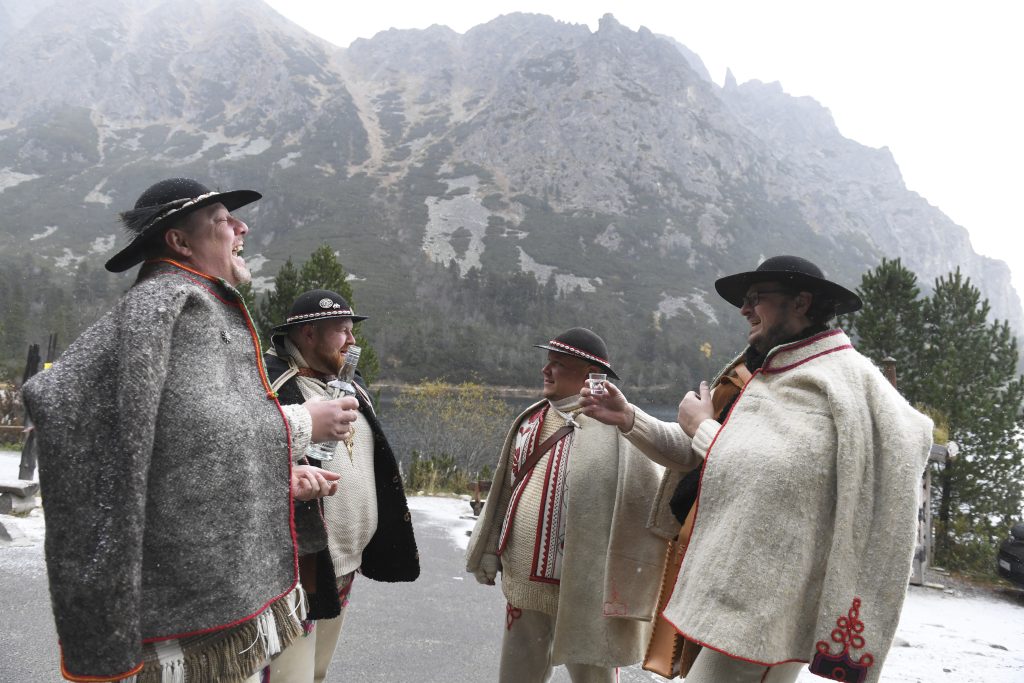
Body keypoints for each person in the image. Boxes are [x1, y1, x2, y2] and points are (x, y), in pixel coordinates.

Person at [22, 178, 358, 683]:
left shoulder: (171, 301)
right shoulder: (181, 302)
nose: (242, 227)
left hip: (185, 586)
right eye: (223, 220)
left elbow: (168, 444)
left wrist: (274, 475)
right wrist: (301, 423)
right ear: (179, 242)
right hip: (187, 604)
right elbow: (200, 430)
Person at [581, 255, 933, 683]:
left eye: (756, 298)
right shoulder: (764, 369)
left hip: (769, 603)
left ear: (801, 302)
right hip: (729, 583)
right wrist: (629, 417)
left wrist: (704, 427)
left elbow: (780, 477)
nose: (744, 309)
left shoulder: (837, 381)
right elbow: (700, 459)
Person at [466, 327, 679, 683]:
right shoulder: (530, 420)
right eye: (547, 363)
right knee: (517, 676)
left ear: (588, 374)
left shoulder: (617, 427)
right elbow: (506, 491)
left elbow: (648, 502)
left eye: (558, 364)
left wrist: (629, 580)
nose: (545, 371)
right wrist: (489, 549)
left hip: (587, 591)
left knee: (594, 678)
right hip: (525, 585)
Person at [262, 289, 420, 683]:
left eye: (352, 331)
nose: (353, 342)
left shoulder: (351, 384)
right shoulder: (267, 382)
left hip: (343, 565)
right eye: (342, 332)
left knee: (316, 672)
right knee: (287, 676)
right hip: (299, 568)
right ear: (309, 334)